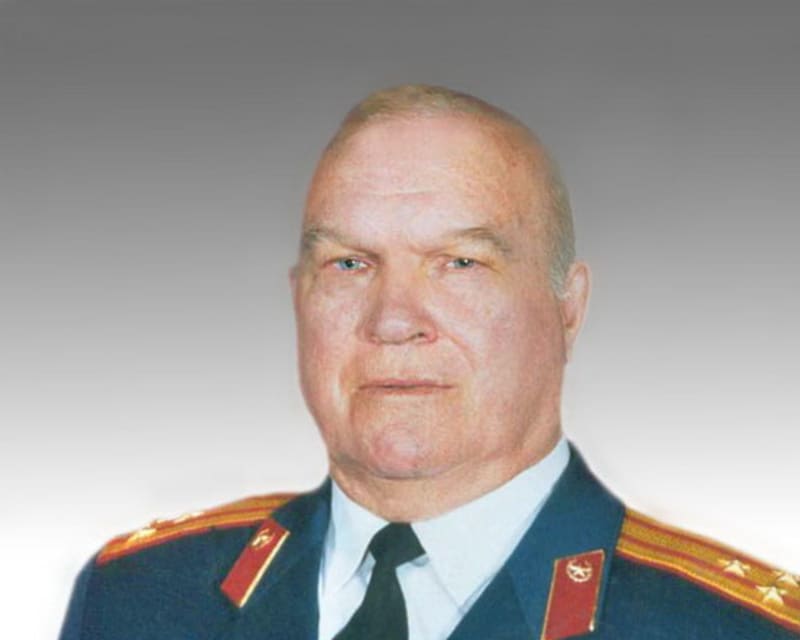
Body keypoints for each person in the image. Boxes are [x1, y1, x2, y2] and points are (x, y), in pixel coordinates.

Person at [59, 84, 800, 639]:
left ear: (567, 308)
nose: (393, 321)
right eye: (349, 264)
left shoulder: (729, 628)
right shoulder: (139, 599)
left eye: (459, 263)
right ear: (299, 300)